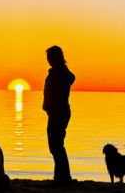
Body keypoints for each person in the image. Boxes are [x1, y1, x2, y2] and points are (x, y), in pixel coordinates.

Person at [43, 45, 75, 186]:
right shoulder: (56, 72)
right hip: (55, 112)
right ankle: (60, 176)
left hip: (59, 112)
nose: (48, 60)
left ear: (58, 57)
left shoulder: (61, 73)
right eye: (47, 57)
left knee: (56, 145)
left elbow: (61, 92)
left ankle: (63, 177)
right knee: (55, 145)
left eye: (50, 57)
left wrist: (52, 106)